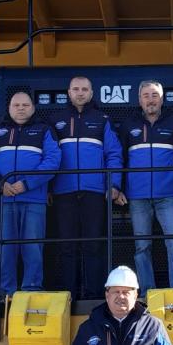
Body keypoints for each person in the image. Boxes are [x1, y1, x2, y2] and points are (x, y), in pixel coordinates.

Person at [117, 80, 173, 296]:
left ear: (162, 99)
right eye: (146, 95)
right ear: (139, 100)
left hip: (168, 196)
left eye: (155, 95)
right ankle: (146, 294)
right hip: (137, 197)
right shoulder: (129, 125)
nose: (150, 100)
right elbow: (119, 159)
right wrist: (116, 188)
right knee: (142, 247)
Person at [0, 90, 60, 294]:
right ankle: (5, 293)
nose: (21, 108)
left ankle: (32, 289)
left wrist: (27, 183)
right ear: (9, 108)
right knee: (5, 249)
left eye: (25, 105)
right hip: (4, 199)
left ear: (33, 108)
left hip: (34, 199)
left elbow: (52, 161)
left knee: (32, 247)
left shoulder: (44, 130)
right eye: (16, 105)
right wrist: (0, 184)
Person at [49, 76, 123, 299]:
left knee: (94, 245)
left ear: (91, 93)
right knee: (67, 246)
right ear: (68, 92)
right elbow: (49, 157)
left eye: (84, 89)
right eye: (75, 89)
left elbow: (114, 154)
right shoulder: (55, 120)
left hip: (94, 192)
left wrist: (114, 184)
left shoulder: (102, 119)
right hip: (64, 192)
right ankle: (68, 295)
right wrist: (49, 188)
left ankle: (93, 296)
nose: (80, 93)